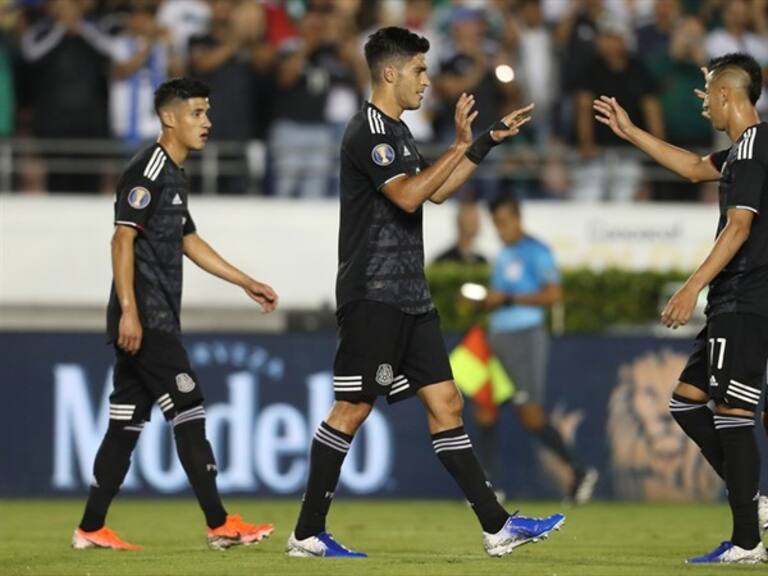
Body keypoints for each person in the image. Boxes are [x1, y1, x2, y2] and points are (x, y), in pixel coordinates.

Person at [285, 26, 564, 559]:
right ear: (390, 72)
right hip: (373, 291)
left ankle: (496, 526)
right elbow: (411, 196)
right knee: (351, 410)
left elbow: (435, 193)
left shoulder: (399, 131)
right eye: (418, 70)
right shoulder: (368, 130)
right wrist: (458, 146)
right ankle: (306, 532)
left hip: (410, 295)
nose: (425, 80)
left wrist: (478, 144)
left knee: (447, 402)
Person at [72, 78, 278, 552]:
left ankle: (90, 527)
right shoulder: (148, 168)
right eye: (198, 113)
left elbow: (188, 241)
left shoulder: (174, 174)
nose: (207, 122)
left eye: (207, 113)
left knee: (125, 424)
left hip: (151, 317)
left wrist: (245, 280)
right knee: (190, 408)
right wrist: (129, 312)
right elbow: (121, 238)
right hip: (145, 318)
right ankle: (219, 523)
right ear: (170, 118)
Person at [593, 53, 768, 564]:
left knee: (734, 413)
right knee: (687, 402)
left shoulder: (754, 149)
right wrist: (631, 132)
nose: (702, 102)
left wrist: (691, 287)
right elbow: (693, 168)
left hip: (744, 297)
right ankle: (751, 503)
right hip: (737, 300)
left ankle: (745, 541)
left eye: (708, 92)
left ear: (727, 97)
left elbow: (738, 226)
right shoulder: (744, 148)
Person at [481, 196, 598, 503]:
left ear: (518, 218)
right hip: (497, 336)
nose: (500, 230)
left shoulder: (536, 251)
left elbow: (553, 295)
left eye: (504, 222)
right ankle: (488, 487)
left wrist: (507, 299)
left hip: (525, 337)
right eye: (496, 224)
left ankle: (580, 470)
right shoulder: (505, 254)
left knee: (530, 415)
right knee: (485, 408)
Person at [434, 200, 487, 265]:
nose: (476, 224)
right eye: (471, 220)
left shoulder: (481, 261)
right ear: (460, 222)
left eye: (476, 220)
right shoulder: (444, 261)